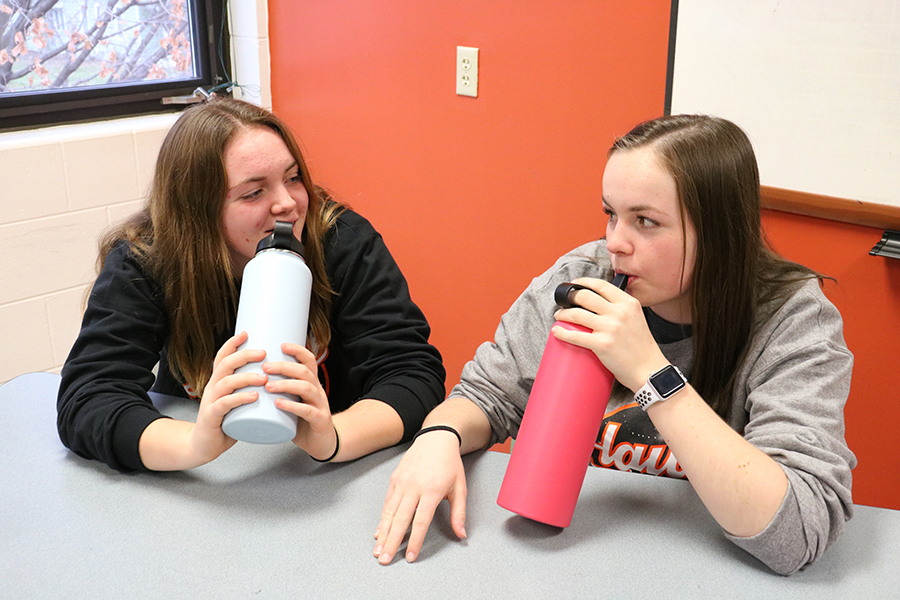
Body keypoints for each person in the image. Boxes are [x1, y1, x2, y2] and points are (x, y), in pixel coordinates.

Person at [373, 114, 855, 575]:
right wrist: (439, 437)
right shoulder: (582, 279)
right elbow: (488, 396)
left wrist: (650, 372)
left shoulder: (792, 320)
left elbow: (795, 530)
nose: (615, 243)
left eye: (645, 221)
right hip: (559, 558)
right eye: (611, 214)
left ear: (718, 234)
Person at [57, 97, 445, 473]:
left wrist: (333, 437)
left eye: (293, 178)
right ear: (198, 212)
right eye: (253, 192)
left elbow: (413, 375)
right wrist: (193, 444)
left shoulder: (341, 241)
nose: (288, 204)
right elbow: (88, 398)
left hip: (323, 471)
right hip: (208, 473)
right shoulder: (146, 261)